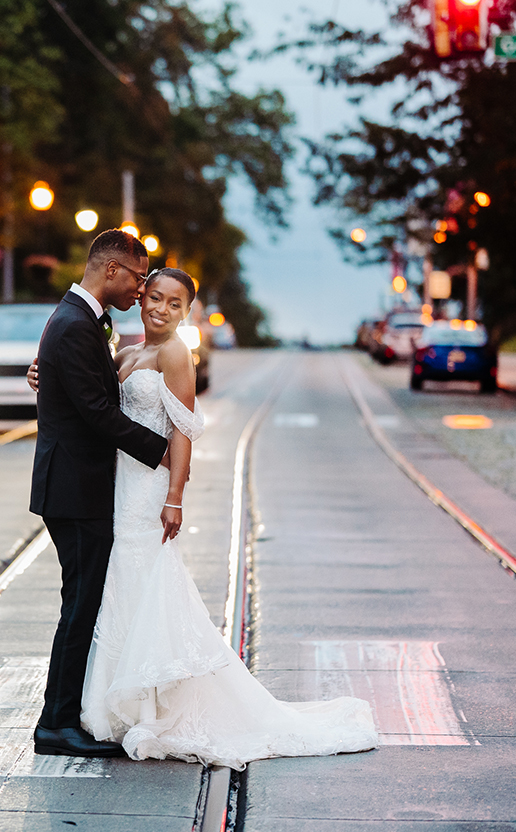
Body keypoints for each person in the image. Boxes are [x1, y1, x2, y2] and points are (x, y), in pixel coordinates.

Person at [76, 267, 379, 768]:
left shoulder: (175, 354)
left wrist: (174, 496)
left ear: (187, 312)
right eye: (155, 298)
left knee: (145, 577)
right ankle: (129, 699)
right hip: (122, 484)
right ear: (141, 298)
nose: (161, 309)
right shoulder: (127, 353)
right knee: (128, 583)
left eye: (175, 304)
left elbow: (181, 431)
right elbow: (99, 404)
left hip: (150, 489)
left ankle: (153, 703)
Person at [30, 229, 171, 758]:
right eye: (138, 277)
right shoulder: (72, 324)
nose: (142, 289)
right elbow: (99, 414)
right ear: (111, 270)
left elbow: (83, 392)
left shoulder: (80, 320)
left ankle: (70, 715)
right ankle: (56, 724)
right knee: (79, 606)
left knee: (84, 603)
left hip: (78, 485)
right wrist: (164, 452)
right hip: (74, 488)